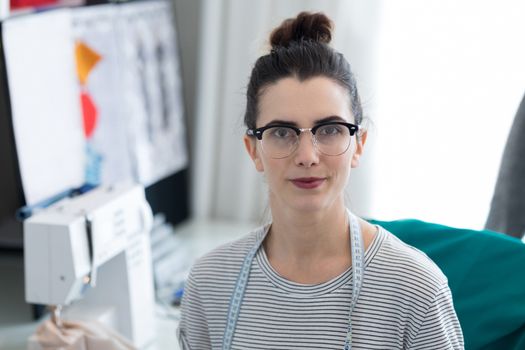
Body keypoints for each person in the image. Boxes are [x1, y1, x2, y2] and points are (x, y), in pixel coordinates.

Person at [177, 12, 464, 350]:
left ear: (358, 145)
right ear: (253, 150)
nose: (307, 156)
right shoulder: (209, 284)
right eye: (281, 132)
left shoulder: (416, 290)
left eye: (329, 130)